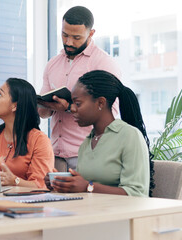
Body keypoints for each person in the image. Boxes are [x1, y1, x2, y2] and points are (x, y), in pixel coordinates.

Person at [38, 6, 121, 172]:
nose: (69, 42)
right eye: (64, 35)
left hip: (89, 155)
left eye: (76, 37)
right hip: (55, 156)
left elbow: (111, 112)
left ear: (91, 34)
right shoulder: (52, 64)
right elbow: (43, 113)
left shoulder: (104, 63)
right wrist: (46, 105)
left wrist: (69, 108)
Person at [47, 70, 154, 197]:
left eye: (78, 103)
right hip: (90, 212)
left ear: (100, 103)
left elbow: (137, 194)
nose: (72, 108)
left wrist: (88, 186)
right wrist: (62, 183)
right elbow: (84, 185)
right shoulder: (87, 143)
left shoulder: (130, 136)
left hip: (119, 215)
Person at [0, 78, 54, 188]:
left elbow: (41, 185)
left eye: (0, 95)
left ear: (15, 106)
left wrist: (15, 181)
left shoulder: (39, 140)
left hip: (25, 202)